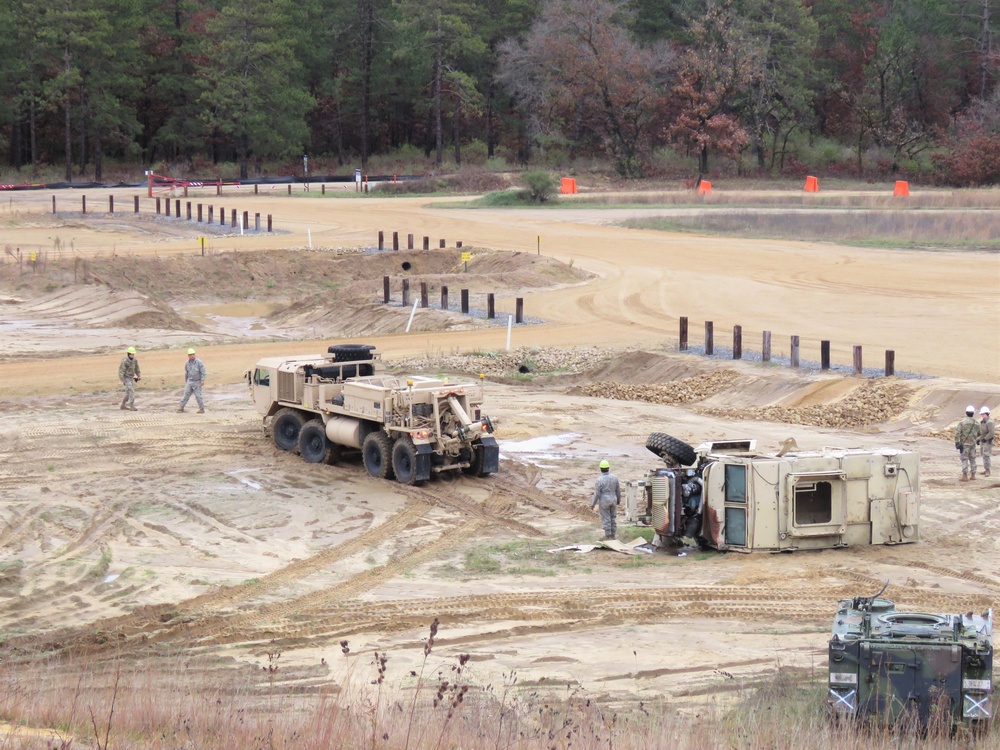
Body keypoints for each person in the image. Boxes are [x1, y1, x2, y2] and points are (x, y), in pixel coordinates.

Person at [591, 459, 621, 540]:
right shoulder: (615, 478)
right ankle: (613, 534)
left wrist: (592, 504)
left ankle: (608, 535)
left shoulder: (599, 480)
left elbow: (597, 493)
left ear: (601, 469)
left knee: (606, 518)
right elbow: (618, 490)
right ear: (608, 468)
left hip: (604, 500)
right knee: (613, 517)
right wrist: (618, 500)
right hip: (613, 498)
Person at [955, 405, 981, 481]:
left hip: (965, 444)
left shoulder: (962, 423)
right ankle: (973, 475)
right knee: (973, 459)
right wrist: (977, 440)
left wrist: (957, 442)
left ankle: (965, 475)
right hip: (973, 444)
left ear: (966, 413)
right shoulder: (976, 423)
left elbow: (958, 433)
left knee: (964, 459)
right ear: (973, 413)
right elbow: (980, 434)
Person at [178, 348, 207, 413]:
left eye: (193, 354)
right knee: (186, 395)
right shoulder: (187, 363)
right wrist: (186, 381)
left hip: (197, 381)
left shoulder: (199, 362)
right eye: (190, 354)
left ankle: (201, 409)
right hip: (190, 381)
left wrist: (202, 380)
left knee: (198, 396)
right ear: (188, 355)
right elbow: (186, 372)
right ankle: (181, 407)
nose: (192, 356)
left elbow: (203, 371)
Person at [118, 346, 141, 411]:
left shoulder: (135, 361)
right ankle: (131, 405)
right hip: (126, 378)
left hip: (131, 378)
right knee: (131, 391)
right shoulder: (124, 361)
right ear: (128, 354)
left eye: (133, 354)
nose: (133, 355)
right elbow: (121, 371)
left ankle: (123, 405)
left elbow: (137, 368)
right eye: (132, 354)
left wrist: (138, 375)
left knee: (128, 393)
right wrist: (123, 380)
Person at [979, 406, 995, 478]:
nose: (982, 415)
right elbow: (982, 432)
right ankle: (986, 469)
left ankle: (987, 470)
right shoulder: (983, 422)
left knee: (986, 455)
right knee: (983, 454)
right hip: (983, 440)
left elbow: (991, 433)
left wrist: (985, 439)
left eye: (983, 414)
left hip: (987, 441)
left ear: (986, 414)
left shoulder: (990, 422)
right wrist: (978, 439)